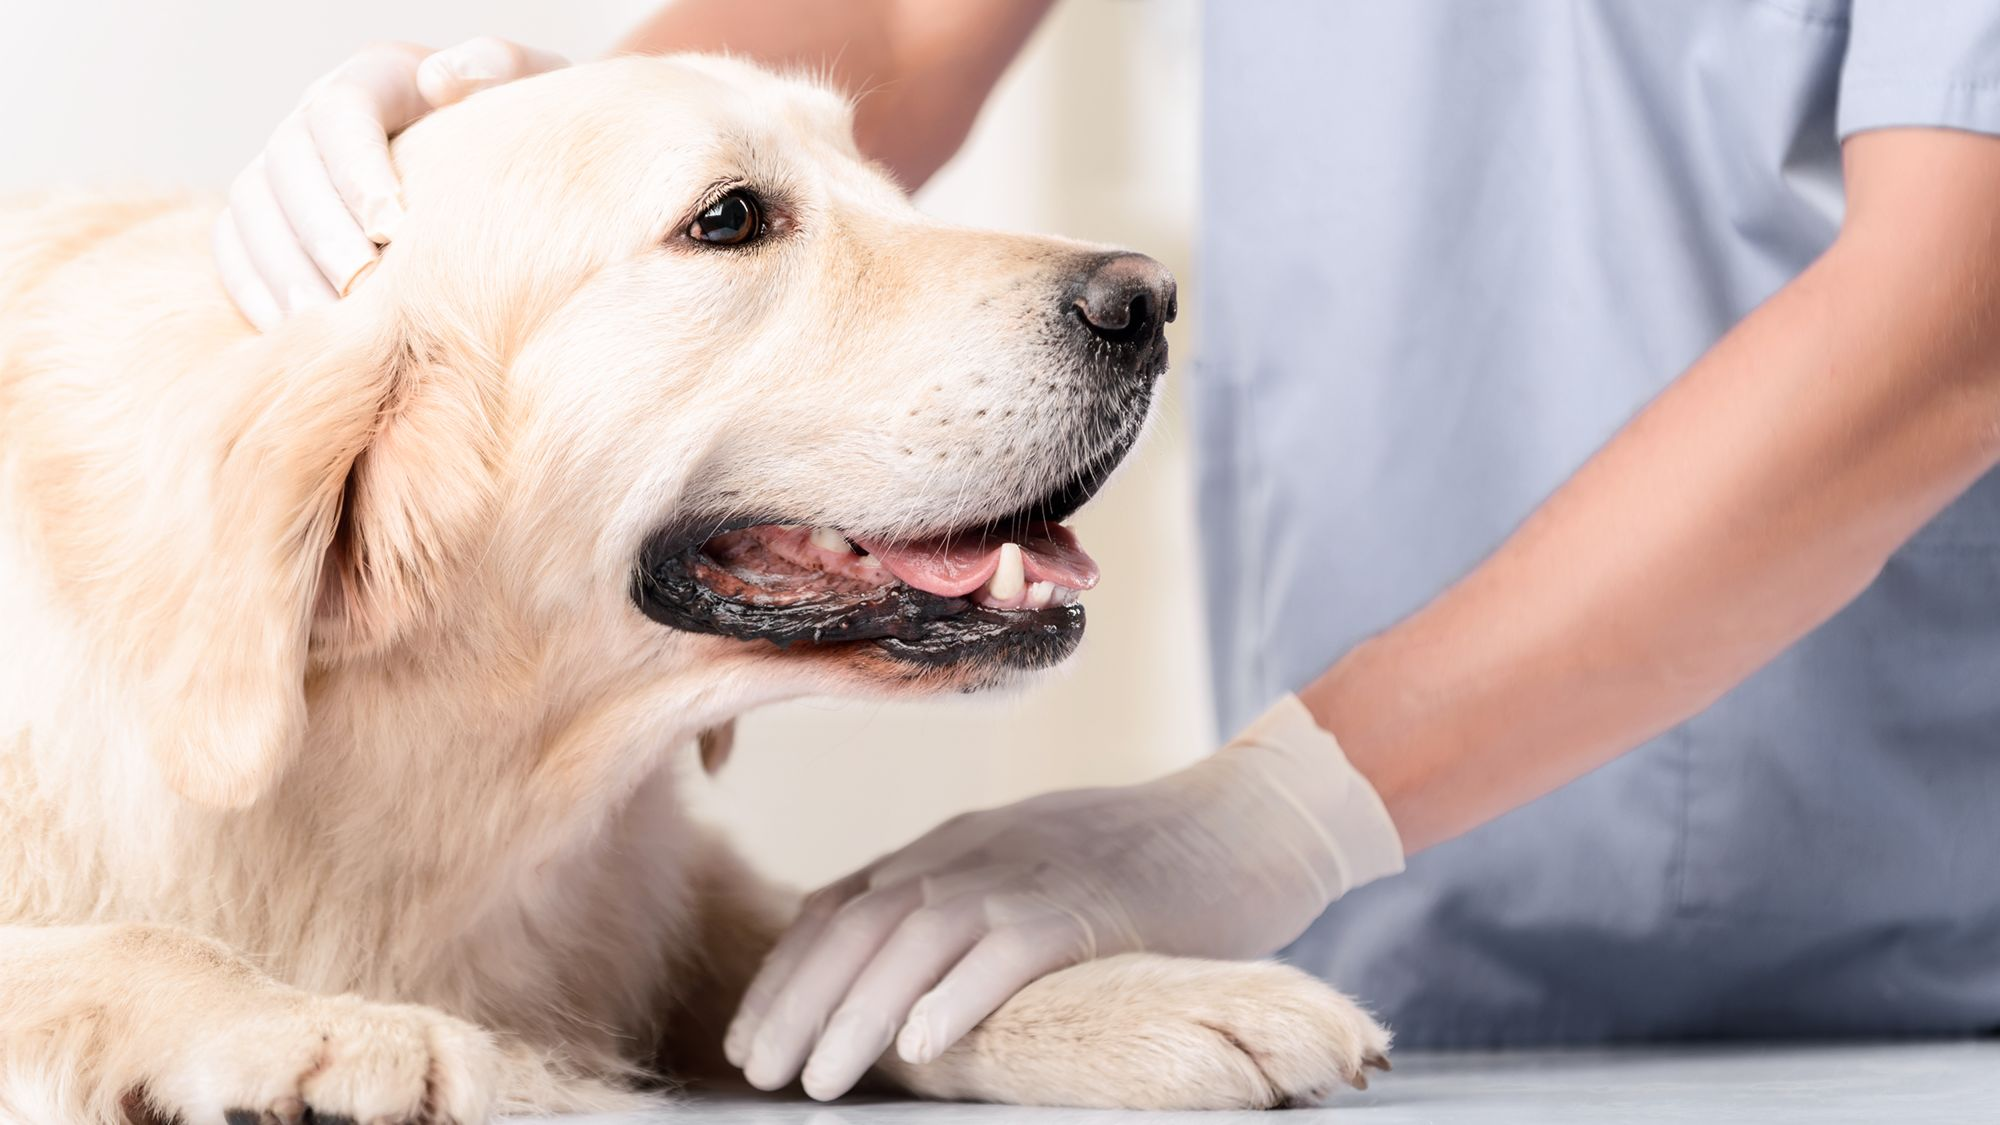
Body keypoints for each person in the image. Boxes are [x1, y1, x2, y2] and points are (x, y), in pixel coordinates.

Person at [218, 0, 2000, 1103]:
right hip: (1372, 967)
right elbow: (906, 27)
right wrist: (552, 156)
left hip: (1903, 989)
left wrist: (1277, 808)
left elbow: (1958, 309)